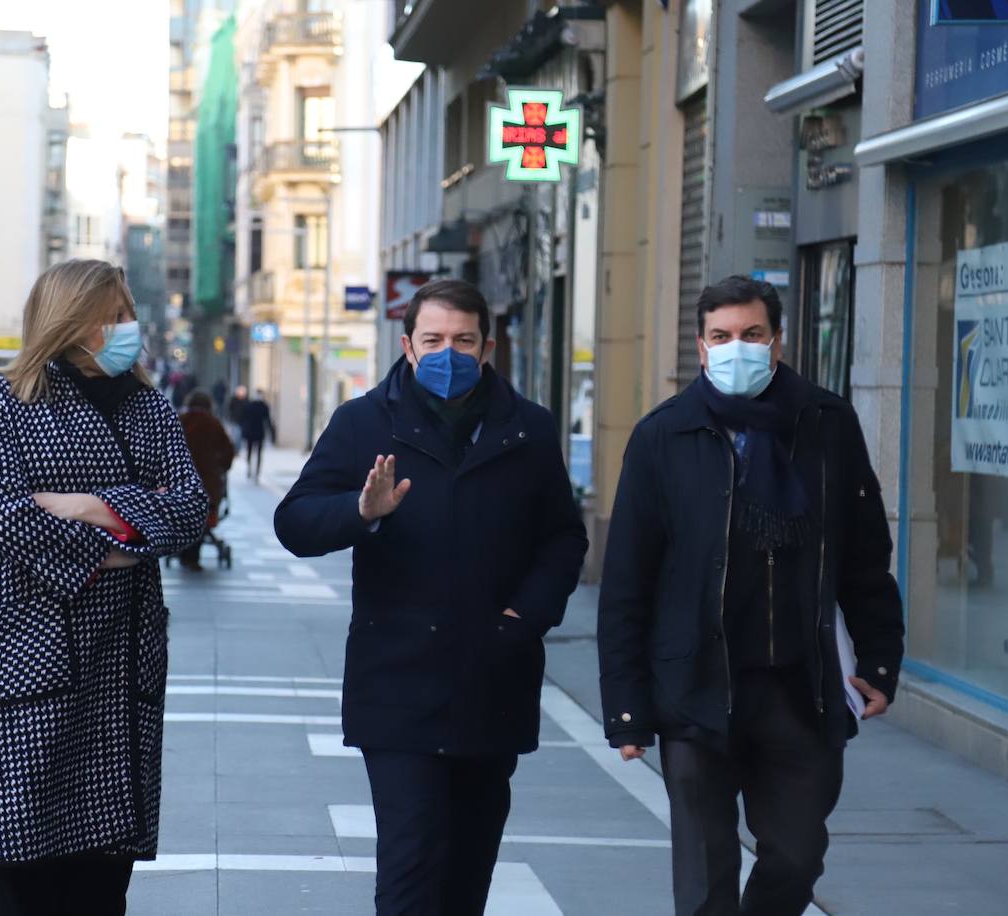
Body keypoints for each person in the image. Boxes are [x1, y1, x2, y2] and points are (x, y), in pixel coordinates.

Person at [274, 279, 588, 916]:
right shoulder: (365, 421)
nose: (450, 353)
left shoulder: (527, 429)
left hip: (492, 681)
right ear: (408, 346)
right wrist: (360, 512)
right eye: (434, 340)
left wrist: (521, 620)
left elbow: (562, 539)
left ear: (488, 346)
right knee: (411, 869)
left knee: (466, 876)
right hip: (396, 685)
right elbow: (295, 521)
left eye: (464, 340)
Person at [597, 275, 905, 916]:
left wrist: (878, 660)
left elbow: (866, 558)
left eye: (752, 335)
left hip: (800, 689)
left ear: (778, 341)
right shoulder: (664, 436)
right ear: (702, 348)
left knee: (795, 860)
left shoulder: (827, 423)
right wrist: (627, 708)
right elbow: (627, 581)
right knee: (705, 881)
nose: (739, 347)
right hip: (695, 690)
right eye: (722, 336)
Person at [0, 259, 208, 916]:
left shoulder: (148, 405)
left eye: (129, 312)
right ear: (70, 320)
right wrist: (127, 528)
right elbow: (2, 514)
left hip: (119, 663)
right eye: (115, 315)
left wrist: (81, 505)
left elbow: (185, 510)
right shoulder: (0, 399)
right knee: (24, 875)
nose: (130, 326)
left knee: (101, 886)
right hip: (20, 658)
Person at [179, 388, 236, 571]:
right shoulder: (214, 424)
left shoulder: (180, 421)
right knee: (203, 513)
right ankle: (192, 556)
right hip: (208, 485)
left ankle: (186, 553)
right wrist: (221, 466)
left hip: (180, 483)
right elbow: (228, 452)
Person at [239, 389, 275, 481]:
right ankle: (252, 470)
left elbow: (243, 418)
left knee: (253, 452)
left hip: (254, 431)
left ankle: (253, 471)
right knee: (254, 452)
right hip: (256, 431)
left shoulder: (256, 405)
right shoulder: (260, 406)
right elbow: (267, 420)